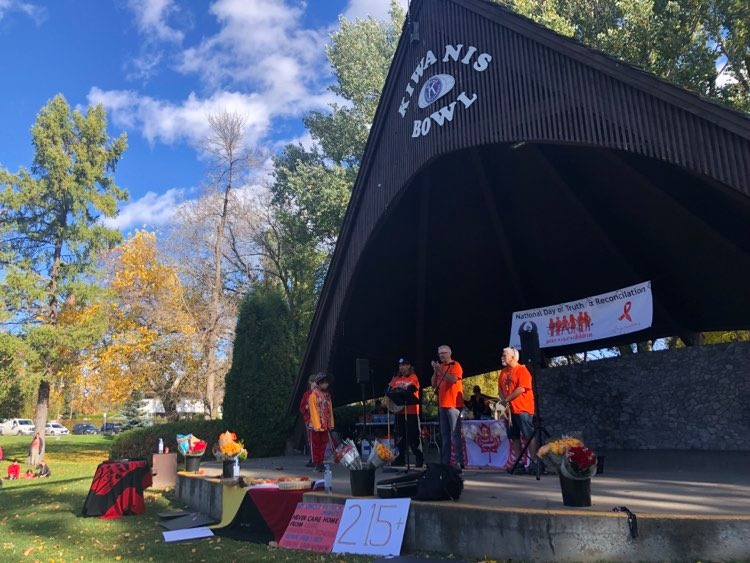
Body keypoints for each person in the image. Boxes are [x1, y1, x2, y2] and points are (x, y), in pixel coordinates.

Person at [498, 347, 538, 474]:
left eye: (505, 355)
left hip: (523, 408)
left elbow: (521, 389)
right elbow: (500, 388)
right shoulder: (503, 372)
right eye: (503, 355)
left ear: (513, 357)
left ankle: (534, 463)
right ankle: (519, 462)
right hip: (510, 410)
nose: (503, 357)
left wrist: (507, 399)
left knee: (528, 435)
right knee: (514, 436)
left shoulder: (522, 370)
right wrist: (504, 400)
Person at [431, 344, 464, 471]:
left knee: (455, 434)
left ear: (449, 353)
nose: (442, 355)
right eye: (440, 354)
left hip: (454, 405)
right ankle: (445, 462)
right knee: (444, 435)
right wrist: (435, 370)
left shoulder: (455, 365)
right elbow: (433, 385)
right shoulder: (440, 367)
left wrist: (439, 369)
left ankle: (459, 462)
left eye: (444, 353)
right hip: (442, 405)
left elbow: (453, 379)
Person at [388, 358, 424, 468]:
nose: (401, 367)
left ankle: (419, 457)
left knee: (413, 436)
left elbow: (412, 388)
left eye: (404, 365)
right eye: (400, 366)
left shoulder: (413, 377)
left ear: (409, 366)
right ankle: (400, 458)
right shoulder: (396, 378)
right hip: (399, 412)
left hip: (411, 412)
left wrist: (403, 391)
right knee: (400, 436)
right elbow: (389, 389)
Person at [308, 372, 335, 472]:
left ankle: (321, 462)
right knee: (315, 445)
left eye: (327, 383)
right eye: (324, 383)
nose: (326, 384)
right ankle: (316, 463)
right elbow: (313, 410)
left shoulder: (327, 395)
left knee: (323, 444)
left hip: (325, 425)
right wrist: (316, 425)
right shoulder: (313, 395)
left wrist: (331, 423)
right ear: (319, 383)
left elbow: (330, 410)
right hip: (316, 425)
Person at [299, 373, 317, 467]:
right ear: (310, 383)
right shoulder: (307, 394)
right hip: (310, 421)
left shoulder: (320, 394)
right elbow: (302, 407)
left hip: (319, 421)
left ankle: (317, 459)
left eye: (316, 382)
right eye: (313, 382)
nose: (315, 384)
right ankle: (313, 458)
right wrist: (306, 407)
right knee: (311, 440)